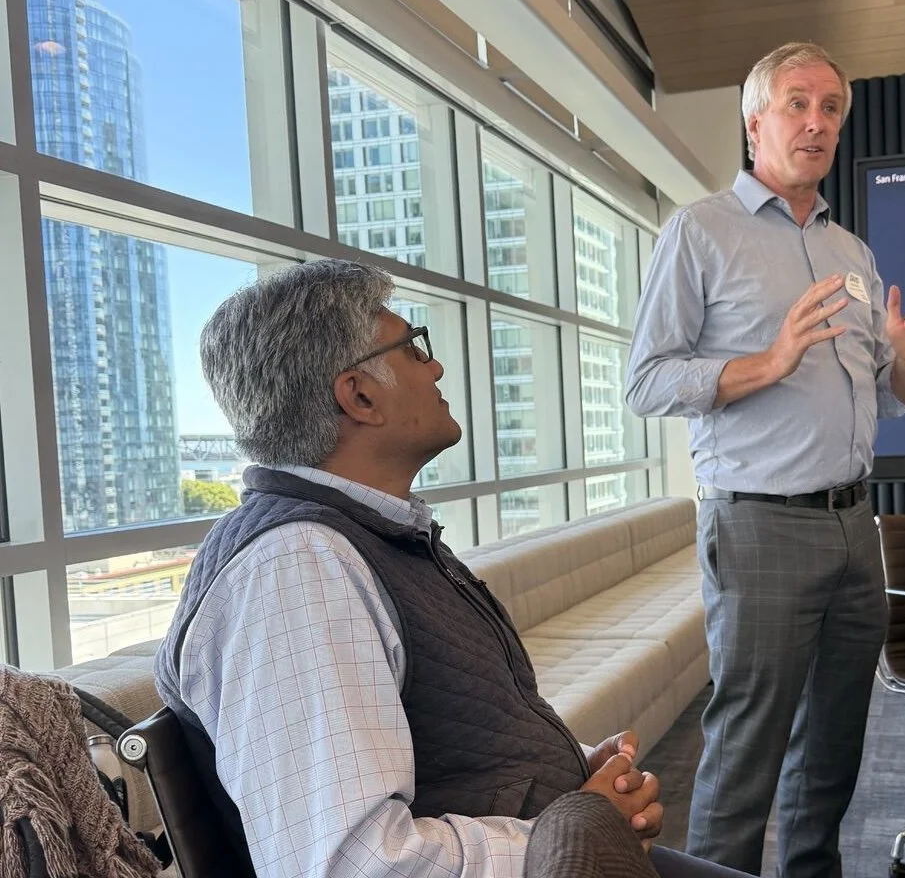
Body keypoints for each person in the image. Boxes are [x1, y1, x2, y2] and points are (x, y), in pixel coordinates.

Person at [153, 259, 751, 878]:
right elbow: (349, 864)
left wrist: (578, 778)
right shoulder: (297, 570)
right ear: (358, 394)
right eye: (414, 349)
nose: (435, 366)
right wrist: (565, 827)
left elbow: (453, 741)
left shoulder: (364, 540)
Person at [625, 41, 905, 878]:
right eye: (797, 104)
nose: (817, 123)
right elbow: (646, 382)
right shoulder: (699, 231)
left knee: (832, 748)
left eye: (830, 110)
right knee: (748, 749)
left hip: (856, 525)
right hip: (759, 526)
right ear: (756, 122)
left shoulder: (851, 252)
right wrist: (767, 363)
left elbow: (877, 397)